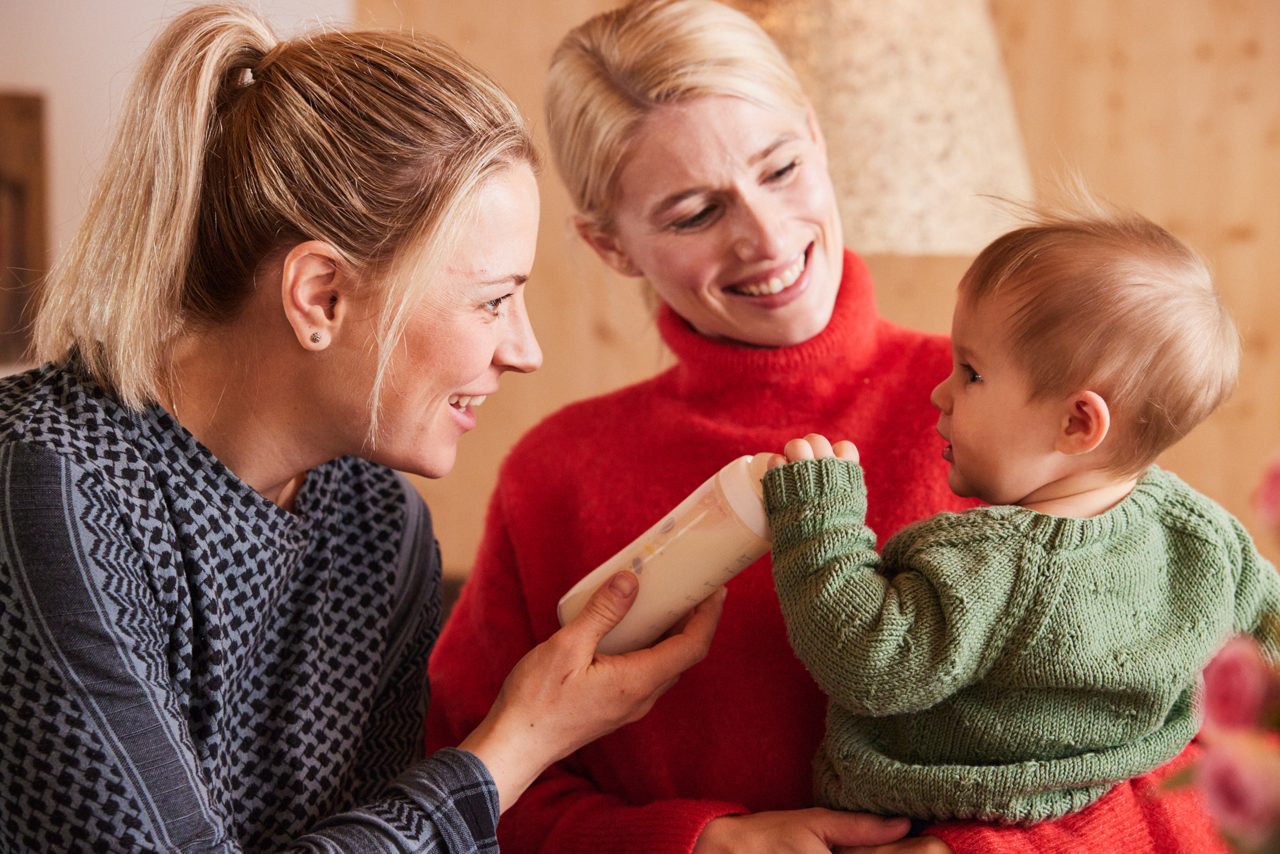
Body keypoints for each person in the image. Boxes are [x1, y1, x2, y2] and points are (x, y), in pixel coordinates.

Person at [425, 2, 1233, 852]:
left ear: (817, 137)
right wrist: (698, 843)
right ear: (611, 245)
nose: (766, 237)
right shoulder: (555, 475)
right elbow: (467, 791)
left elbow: (1228, 765)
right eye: (695, 213)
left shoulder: (1035, 423)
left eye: (780, 170)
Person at [0, 5, 729, 851]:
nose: (524, 349)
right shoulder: (50, 487)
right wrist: (516, 744)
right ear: (321, 297)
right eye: (492, 299)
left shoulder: (379, 524)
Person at [761, 206, 1280, 826]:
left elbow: (872, 664)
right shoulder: (1204, 533)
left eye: (972, 373)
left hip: (929, 818)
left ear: (1076, 423)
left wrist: (820, 527)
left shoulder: (995, 565)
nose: (940, 393)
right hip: (1104, 803)